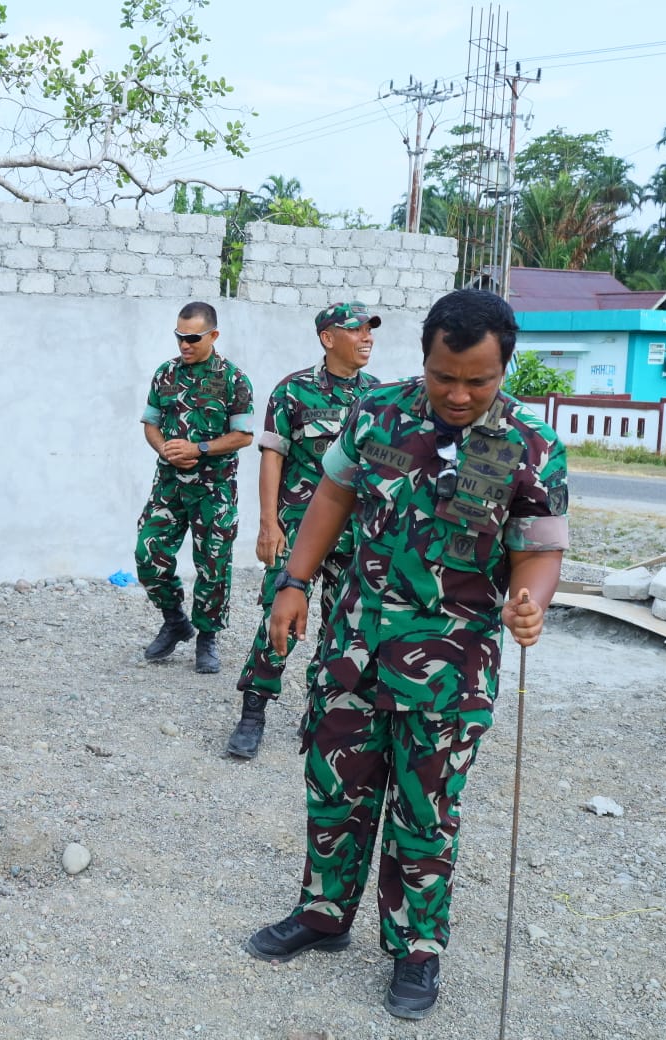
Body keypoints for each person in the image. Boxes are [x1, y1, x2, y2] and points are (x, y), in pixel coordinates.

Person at [243, 289, 569, 1021]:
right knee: (335, 783)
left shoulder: (528, 444)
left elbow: (540, 550)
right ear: (424, 359)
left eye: (477, 380)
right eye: (443, 375)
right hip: (355, 642)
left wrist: (531, 601)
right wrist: (293, 583)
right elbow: (331, 496)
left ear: (503, 368)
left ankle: (417, 948)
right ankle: (323, 914)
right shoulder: (377, 414)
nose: (457, 393)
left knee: (426, 810)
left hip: (449, 666)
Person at [228, 301, 381, 759]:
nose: (366, 337)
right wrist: (268, 523)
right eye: (356, 330)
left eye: (370, 330)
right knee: (279, 618)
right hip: (298, 529)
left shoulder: (379, 396)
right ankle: (253, 710)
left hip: (356, 533)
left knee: (342, 626)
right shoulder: (293, 392)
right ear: (328, 337)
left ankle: (319, 714)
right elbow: (272, 457)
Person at [135, 301, 255, 673]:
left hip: (213, 490)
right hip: (169, 485)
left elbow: (243, 435)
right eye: (179, 336)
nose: (184, 344)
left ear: (213, 336)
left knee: (213, 565)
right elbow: (150, 424)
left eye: (192, 337)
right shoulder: (165, 374)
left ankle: (207, 637)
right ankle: (175, 621)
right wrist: (166, 450)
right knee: (147, 554)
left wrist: (198, 449)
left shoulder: (233, 380)